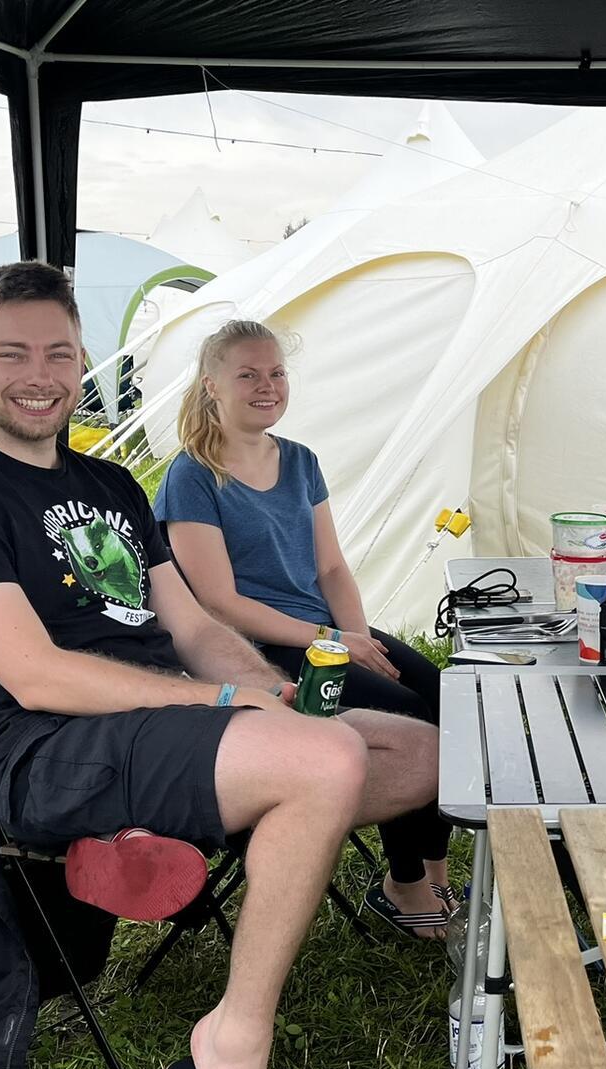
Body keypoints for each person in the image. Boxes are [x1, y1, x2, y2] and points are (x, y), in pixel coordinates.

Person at [0, 262, 440, 1069]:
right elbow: (37, 677)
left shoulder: (110, 484)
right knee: (325, 760)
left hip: (167, 727)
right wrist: (225, 701)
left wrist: (272, 690)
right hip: (45, 751)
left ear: (83, 362)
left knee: (418, 753)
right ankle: (229, 1044)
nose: (39, 377)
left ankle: (212, 813)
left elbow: (191, 625)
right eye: (11, 355)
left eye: (58, 354)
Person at [154, 319, 454, 938]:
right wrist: (334, 643)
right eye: (248, 375)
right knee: (409, 717)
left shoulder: (299, 460)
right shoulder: (193, 476)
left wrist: (358, 637)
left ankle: (435, 870)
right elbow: (219, 601)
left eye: (276, 373)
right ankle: (403, 886)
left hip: (322, 632)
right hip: (254, 651)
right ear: (212, 386)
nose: (267, 386)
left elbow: (331, 566)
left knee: (445, 696)